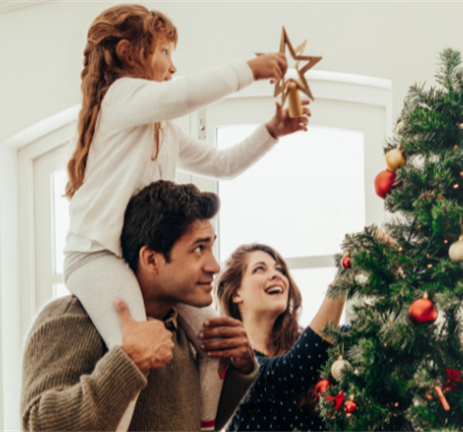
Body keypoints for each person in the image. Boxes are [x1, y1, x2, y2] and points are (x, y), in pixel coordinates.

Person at [61, 5, 310, 430]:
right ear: (128, 53)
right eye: (163, 53)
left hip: (142, 257)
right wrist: (250, 69)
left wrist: (271, 130)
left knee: (215, 337)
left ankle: (207, 424)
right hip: (98, 255)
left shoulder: (164, 130)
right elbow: (183, 94)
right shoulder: (120, 97)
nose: (173, 67)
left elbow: (224, 163)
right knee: (133, 349)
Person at [22, 181, 260, 432]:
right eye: (199, 248)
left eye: (211, 246)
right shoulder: (70, 318)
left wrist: (240, 367)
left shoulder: (182, 330)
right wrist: (128, 362)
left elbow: (196, 422)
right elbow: (38, 425)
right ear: (151, 259)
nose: (215, 266)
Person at [215, 244, 346, 432]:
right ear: (236, 293)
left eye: (280, 270)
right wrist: (345, 275)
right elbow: (290, 372)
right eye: (259, 268)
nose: (277, 275)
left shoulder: (307, 348)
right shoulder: (232, 363)